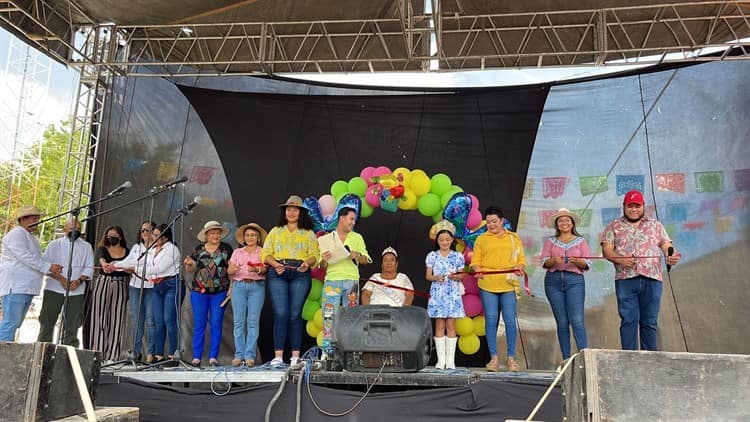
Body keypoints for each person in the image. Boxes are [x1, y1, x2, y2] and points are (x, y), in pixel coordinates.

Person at [601, 190, 680, 351]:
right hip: (625, 279)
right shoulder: (613, 226)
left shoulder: (655, 225)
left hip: (652, 278)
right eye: (630, 206)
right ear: (624, 206)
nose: (634, 209)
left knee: (649, 321)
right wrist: (619, 258)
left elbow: (667, 246)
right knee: (629, 319)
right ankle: (628, 359)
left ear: (643, 206)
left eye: (637, 206)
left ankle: (649, 360)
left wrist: (671, 255)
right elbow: (607, 250)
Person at [262, 195, 319, 366]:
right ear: (284, 212)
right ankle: (278, 356)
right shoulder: (275, 231)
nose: (291, 212)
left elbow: (314, 255)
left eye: (295, 209)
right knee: (281, 313)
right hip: (278, 272)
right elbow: (265, 253)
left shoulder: (308, 233)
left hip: (300, 273)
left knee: (295, 314)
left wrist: (306, 264)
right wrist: (274, 264)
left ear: (301, 213)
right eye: (288, 209)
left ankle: (295, 356)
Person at [111, 224, 181, 362]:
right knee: (158, 321)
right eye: (152, 234)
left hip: (170, 284)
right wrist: (115, 265)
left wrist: (133, 268)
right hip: (157, 286)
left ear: (165, 237)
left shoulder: (172, 250)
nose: (152, 237)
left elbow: (157, 269)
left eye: (155, 234)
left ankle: (173, 353)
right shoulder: (151, 249)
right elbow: (135, 262)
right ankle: (157, 355)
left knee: (167, 320)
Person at [471, 206, 526, 372]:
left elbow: (521, 259)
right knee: (491, 319)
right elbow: (475, 261)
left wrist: (519, 267)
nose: (491, 224)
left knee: (509, 320)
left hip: (508, 284)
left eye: (494, 221)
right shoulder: (481, 239)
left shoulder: (513, 238)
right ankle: (494, 358)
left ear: (502, 221)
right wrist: (477, 270)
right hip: (487, 284)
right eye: (488, 222)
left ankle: (511, 359)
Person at [0, 206, 62, 341]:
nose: (37, 221)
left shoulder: (30, 237)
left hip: (26, 286)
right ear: (23, 219)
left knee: (14, 324)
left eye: (38, 219)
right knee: (10, 323)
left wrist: (51, 268)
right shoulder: (17, 234)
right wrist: (49, 267)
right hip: (16, 286)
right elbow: (26, 257)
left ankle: (6, 353)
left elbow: (36, 260)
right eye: (34, 218)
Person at [318, 207, 371, 357]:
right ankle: (327, 351)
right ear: (341, 218)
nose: (353, 222)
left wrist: (356, 255)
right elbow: (320, 264)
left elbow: (366, 259)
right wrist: (324, 258)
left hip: (351, 280)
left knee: (351, 315)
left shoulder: (357, 237)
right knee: (329, 315)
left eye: (354, 220)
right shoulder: (327, 238)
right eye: (351, 219)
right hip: (332, 280)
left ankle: (351, 351)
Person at [541, 208, 592, 362]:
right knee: (562, 322)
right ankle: (566, 359)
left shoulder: (581, 241)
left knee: (577, 320)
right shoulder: (550, 241)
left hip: (574, 281)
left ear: (572, 223)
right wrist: (553, 261)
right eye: (561, 220)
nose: (564, 222)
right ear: (557, 224)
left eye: (567, 220)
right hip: (553, 281)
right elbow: (544, 262)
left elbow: (588, 262)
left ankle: (584, 358)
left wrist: (577, 261)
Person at [183, 221, 233, 367]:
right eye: (212, 233)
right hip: (199, 292)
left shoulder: (226, 249)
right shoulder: (198, 250)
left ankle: (213, 357)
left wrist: (232, 287)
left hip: (220, 292)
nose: (216, 235)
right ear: (206, 235)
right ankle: (197, 357)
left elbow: (231, 270)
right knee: (199, 324)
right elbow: (191, 270)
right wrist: (189, 265)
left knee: (216, 323)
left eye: (218, 233)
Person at [37, 219, 94, 346]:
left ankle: (69, 356)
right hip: (54, 288)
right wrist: (62, 280)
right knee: (47, 322)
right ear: (65, 229)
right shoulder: (54, 244)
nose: (75, 231)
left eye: (78, 229)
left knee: (72, 325)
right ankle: (43, 352)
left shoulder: (86, 246)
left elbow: (89, 267)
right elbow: (45, 266)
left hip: (76, 290)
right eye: (72, 228)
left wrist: (78, 281)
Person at [425, 221, 465, 370]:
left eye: (447, 239)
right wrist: (436, 277)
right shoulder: (432, 256)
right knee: (439, 325)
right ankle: (440, 361)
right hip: (438, 292)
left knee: (451, 325)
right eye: (441, 240)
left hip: (452, 293)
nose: (444, 242)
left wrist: (457, 276)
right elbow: (428, 276)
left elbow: (462, 275)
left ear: (452, 240)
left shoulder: (457, 256)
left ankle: (451, 361)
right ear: (437, 241)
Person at [227, 222, 267, 367]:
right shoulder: (237, 252)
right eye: (247, 235)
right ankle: (238, 355)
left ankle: (249, 355)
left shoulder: (263, 252)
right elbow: (229, 271)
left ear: (258, 238)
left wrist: (256, 270)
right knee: (238, 322)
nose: (250, 237)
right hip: (239, 286)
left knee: (252, 321)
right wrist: (232, 270)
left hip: (256, 286)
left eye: (253, 235)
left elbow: (265, 270)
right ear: (244, 238)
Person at [87, 225, 130, 362]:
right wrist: (105, 265)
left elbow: (130, 266)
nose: (111, 237)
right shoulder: (102, 250)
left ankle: (113, 356)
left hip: (121, 283)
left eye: (114, 235)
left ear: (120, 237)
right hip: (103, 282)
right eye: (108, 235)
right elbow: (101, 259)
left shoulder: (127, 252)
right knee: (99, 318)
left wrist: (127, 268)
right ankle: (98, 354)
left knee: (117, 319)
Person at [119, 221, 157, 362]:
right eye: (143, 230)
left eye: (149, 230)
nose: (145, 233)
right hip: (135, 286)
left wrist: (135, 267)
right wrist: (113, 265)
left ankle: (151, 353)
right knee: (137, 321)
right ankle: (135, 351)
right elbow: (127, 262)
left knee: (151, 321)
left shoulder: (158, 249)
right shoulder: (136, 248)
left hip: (152, 288)